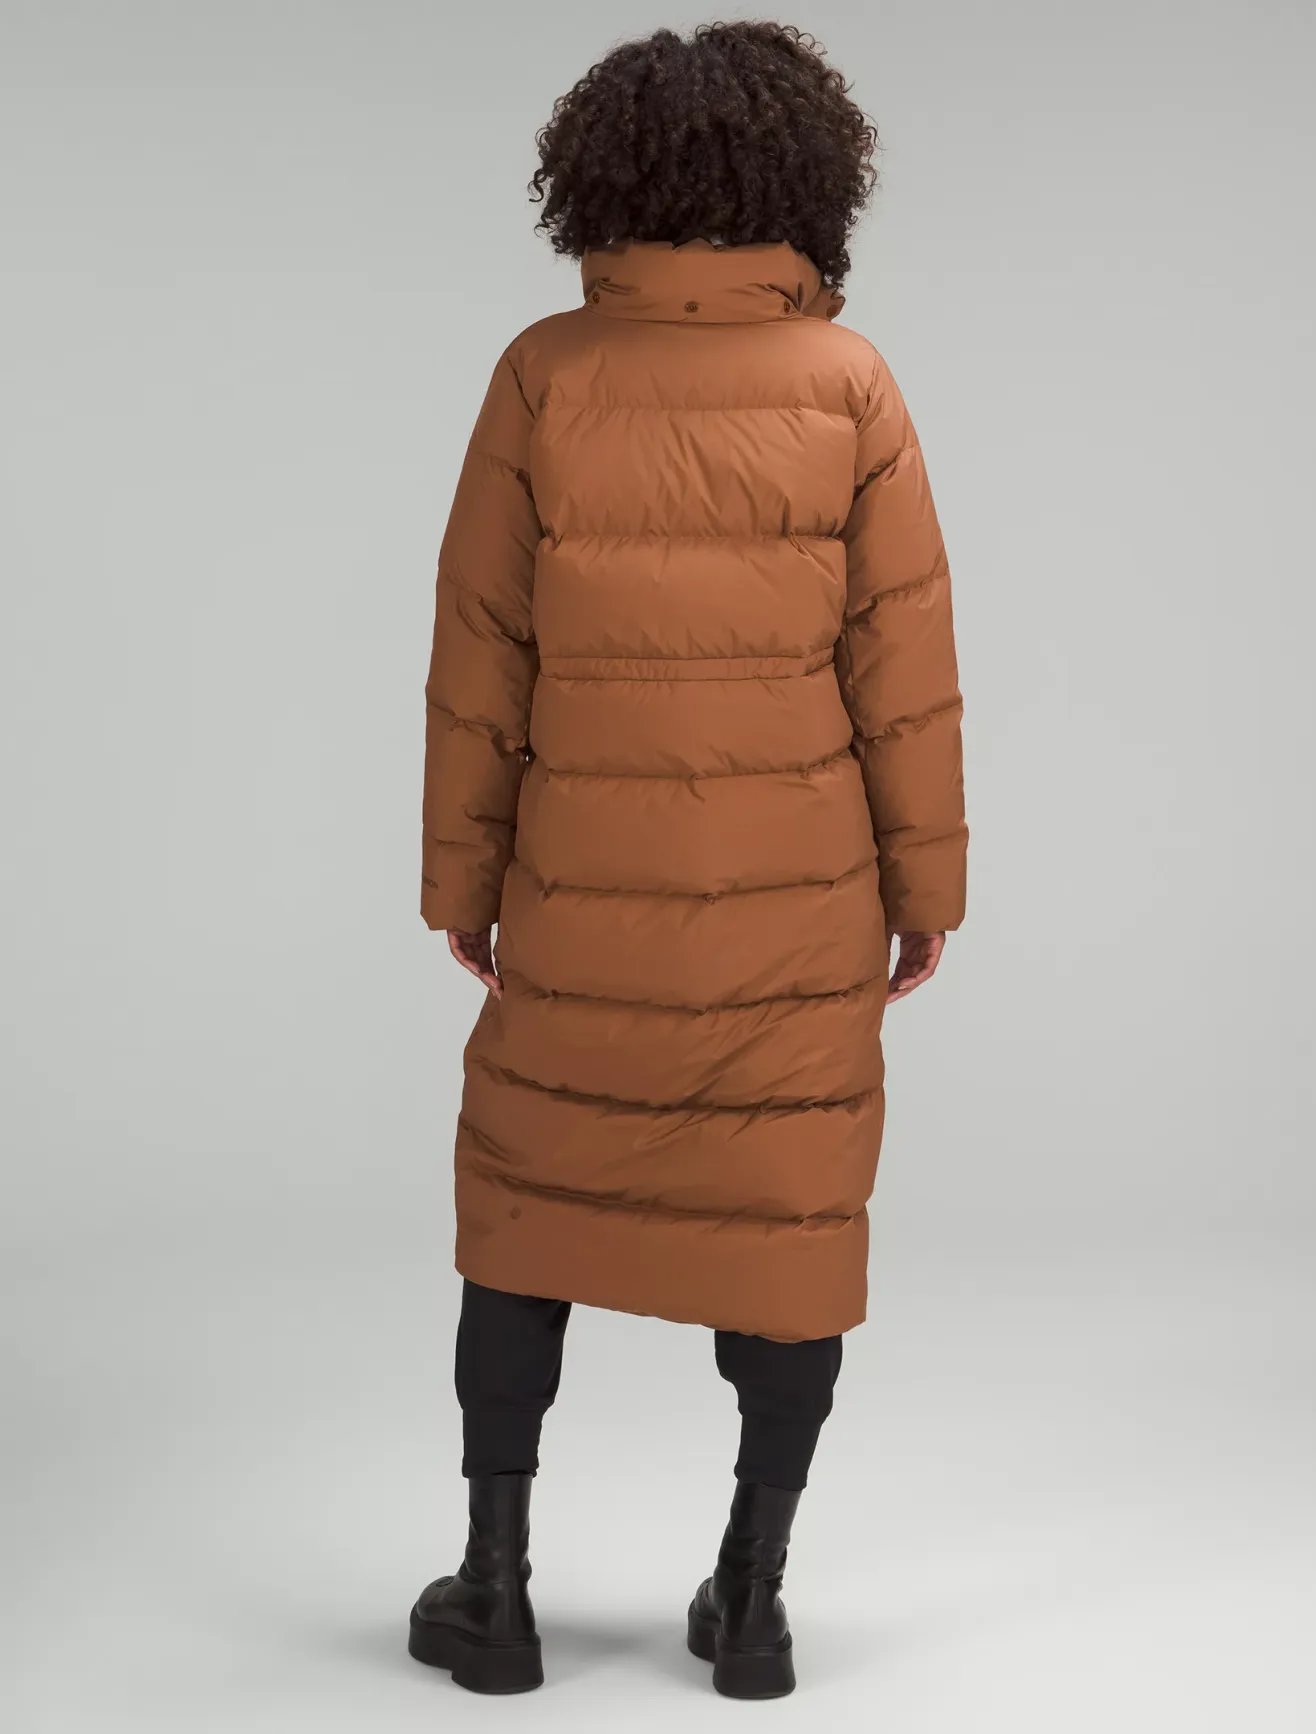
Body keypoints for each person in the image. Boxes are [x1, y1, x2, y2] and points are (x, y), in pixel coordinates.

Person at [408, 20, 967, 1701]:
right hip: (797, 909)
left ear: (600, 180)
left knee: (527, 1205)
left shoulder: (544, 374)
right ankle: (754, 1600)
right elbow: (903, 662)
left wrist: (464, 885)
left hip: (578, 893)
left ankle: (494, 1592)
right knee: (788, 1215)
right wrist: (925, 895)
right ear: (811, 178)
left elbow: (480, 649)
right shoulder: (851, 383)